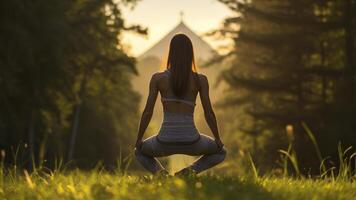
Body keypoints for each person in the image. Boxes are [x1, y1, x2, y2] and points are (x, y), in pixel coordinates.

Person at [134, 33, 226, 176]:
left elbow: (147, 112)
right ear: (190, 54)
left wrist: (139, 138)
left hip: (164, 141)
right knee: (221, 152)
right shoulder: (200, 80)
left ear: (170, 53)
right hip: (192, 141)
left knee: (138, 151)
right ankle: (189, 172)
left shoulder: (158, 79)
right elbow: (209, 113)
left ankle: (161, 174)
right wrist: (218, 138)